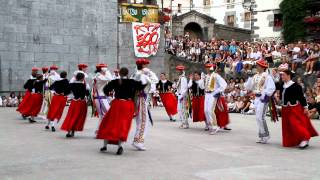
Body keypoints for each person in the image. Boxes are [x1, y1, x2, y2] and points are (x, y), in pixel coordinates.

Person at [97, 67, 145, 155]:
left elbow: (105, 90)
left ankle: (105, 145)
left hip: (116, 104)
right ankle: (120, 146)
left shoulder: (115, 81)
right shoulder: (132, 82)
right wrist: (142, 74)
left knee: (110, 123)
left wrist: (110, 98)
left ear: (119, 73)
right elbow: (142, 86)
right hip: (127, 105)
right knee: (122, 125)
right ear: (127, 73)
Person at [279, 70, 318, 149]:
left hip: (294, 108)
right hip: (285, 108)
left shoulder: (296, 86)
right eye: (281, 75)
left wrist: (305, 107)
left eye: (283, 75)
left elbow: (301, 98)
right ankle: (292, 141)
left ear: (288, 75)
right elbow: (281, 97)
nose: (282, 77)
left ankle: (305, 138)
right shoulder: (282, 85)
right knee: (287, 126)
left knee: (295, 123)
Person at [245, 59, 276, 144]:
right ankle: (263, 135)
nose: (257, 67)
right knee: (258, 117)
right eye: (257, 65)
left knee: (260, 117)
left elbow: (272, 87)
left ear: (262, 67)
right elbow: (249, 87)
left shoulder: (267, 76)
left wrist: (266, 95)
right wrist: (250, 77)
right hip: (256, 98)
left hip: (263, 98)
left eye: (258, 65)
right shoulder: (255, 76)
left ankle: (265, 135)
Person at [131, 58, 158, 151]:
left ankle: (136, 140)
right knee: (143, 121)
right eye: (146, 65)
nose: (147, 67)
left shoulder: (134, 74)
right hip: (141, 99)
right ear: (143, 66)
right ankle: (139, 141)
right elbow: (155, 80)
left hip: (136, 99)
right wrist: (149, 72)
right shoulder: (142, 75)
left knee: (139, 121)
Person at [61, 72, 89, 138]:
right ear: (82, 78)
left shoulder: (72, 84)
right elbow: (87, 94)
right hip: (81, 103)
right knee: (78, 117)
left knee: (71, 116)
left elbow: (65, 92)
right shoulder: (84, 85)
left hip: (74, 102)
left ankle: (69, 131)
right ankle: (73, 131)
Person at [204, 63, 227, 134]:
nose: (207, 69)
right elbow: (203, 86)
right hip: (207, 94)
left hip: (212, 94)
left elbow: (224, 85)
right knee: (206, 111)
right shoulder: (207, 76)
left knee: (210, 110)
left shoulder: (216, 76)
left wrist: (217, 91)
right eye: (206, 67)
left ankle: (215, 126)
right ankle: (210, 125)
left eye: (208, 67)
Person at [92, 64, 113, 134]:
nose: (106, 69)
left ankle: (99, 131)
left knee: (102, 115)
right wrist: (107, 71)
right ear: (102, 69)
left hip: (99, 97)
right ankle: (104, 130)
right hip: (100, 97)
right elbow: (110, 79)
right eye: (105, 68)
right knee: (109, 113)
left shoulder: (97, 76)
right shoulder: (99, 76)